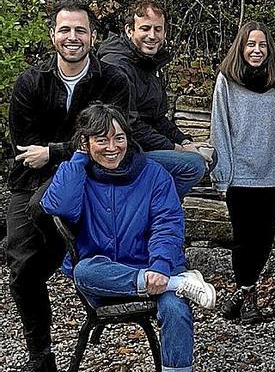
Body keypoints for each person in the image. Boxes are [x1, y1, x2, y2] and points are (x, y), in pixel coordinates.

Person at [40, 104, 216, 372]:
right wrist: (77, 158)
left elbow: (167, 225)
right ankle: (179, 283)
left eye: (118, 138)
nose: (112, 147)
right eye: (101, 140)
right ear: (85, 143)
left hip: (156, 265)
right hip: (108, 274)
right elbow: (59, 206)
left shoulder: (154, 174)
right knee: (83, 271)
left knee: (175, 311)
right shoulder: (78, 173)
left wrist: (159, 267)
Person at [7, 0, 131, 372]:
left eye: (80, 30)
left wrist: (54, 151)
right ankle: (41, 356)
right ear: (53, 35)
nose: (72, 37)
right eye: (65, 29)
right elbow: (24, 149)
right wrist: (54, 153)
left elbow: (113, 139)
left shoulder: (113, 81)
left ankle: (69, 259)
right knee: (21, 268)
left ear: (92, 37)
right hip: (31, 180)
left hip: (92, 177)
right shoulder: (32, 82)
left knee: (46, 210)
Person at [210, 21, 275, 323]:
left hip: (269, 176)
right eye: (251, 44)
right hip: (239, 175)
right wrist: (222, 174)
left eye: (262, 45)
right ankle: (249, 297)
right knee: (243, 239)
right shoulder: (227, 81)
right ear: (241, 47)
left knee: (263, 240)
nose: (257, 50)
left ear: (269, 49)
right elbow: (219, 129)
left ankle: (240, 293)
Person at [98, 0, 211, 199]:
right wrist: (179, 149)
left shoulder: (149, 64)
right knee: (194, 165)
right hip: (123, 152)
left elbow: (158, 118)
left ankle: (151, 207)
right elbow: (130, 126)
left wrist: (185, 141)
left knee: (209, 154)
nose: (152, 36)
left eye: (158, 29)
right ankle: (146, 211)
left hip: (144, 147)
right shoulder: (117, 67)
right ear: (129, 30)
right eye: (145, 28)